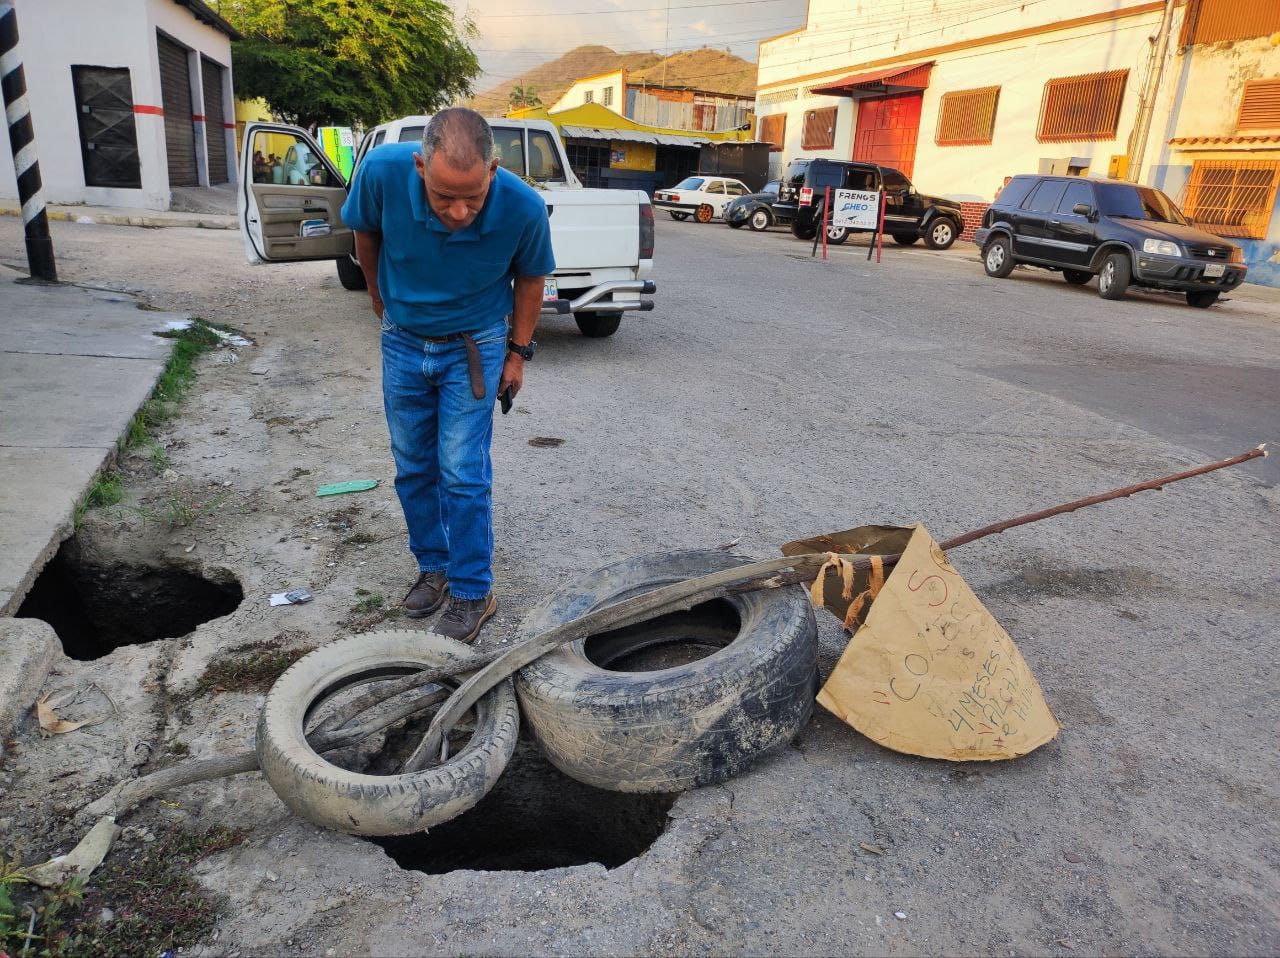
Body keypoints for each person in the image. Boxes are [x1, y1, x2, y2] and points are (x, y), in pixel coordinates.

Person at [340, 109, 555, 643]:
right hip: (404, 339)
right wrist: (377, 298)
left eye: (473, 197)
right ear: (419, 167)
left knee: (462, 471)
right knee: (413, 466)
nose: (460, 212)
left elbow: (532, 280)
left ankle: (472, 590)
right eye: (443, 197)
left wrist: (517, 355)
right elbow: (365, 235)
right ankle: (433, 566)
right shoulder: (382, 173)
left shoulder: (524, 207)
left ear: (493, 169)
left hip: (474, 346)